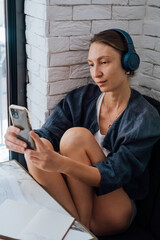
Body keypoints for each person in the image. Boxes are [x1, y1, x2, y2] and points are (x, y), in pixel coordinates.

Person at [5, 29, 160, 236]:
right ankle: (78, 230)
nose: (96, 73)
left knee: (76, 137)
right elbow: (50, 132)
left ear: (128, 63)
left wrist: (61, 164)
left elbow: (114, 173)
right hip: (80, 203)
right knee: (36, 149)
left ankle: (74, 226)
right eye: (91, 64)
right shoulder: (83, 98)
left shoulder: (144, 116)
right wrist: (21, 138)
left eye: (104, 62)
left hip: (114, 208)